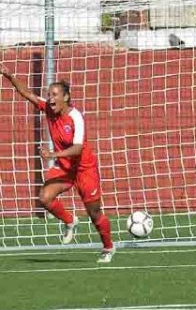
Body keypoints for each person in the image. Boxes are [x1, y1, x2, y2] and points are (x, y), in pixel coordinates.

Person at [1, 63, 115, 263]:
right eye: (49, 94)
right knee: (44, 198)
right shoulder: (48, 109)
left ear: (65, 97)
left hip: (84, 168)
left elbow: (78, 148)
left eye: (55, 95)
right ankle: (70, 221)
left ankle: (108, 247)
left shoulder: (75, 117)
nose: (50, 98)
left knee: (94, 213)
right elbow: (28, 94)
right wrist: (10, 76)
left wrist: (53, 154)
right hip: (65, 168)